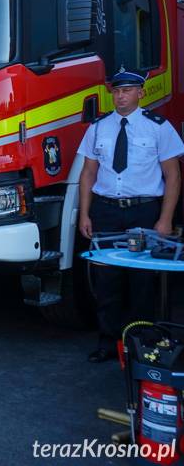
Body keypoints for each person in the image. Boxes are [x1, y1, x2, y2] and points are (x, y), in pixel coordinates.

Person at [78, 70, 184, 363]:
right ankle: (108, 343)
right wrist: (85, 214)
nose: (120, 96)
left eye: (127, 90)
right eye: (116, 91)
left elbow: (172, 176)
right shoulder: (98, 127)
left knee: (142, 284)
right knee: (106, 281)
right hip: (106, 211)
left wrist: (165, 219)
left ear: (141, 93)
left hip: (143, 210)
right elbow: (88, 173)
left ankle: (143, 345)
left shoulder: (158, 127)